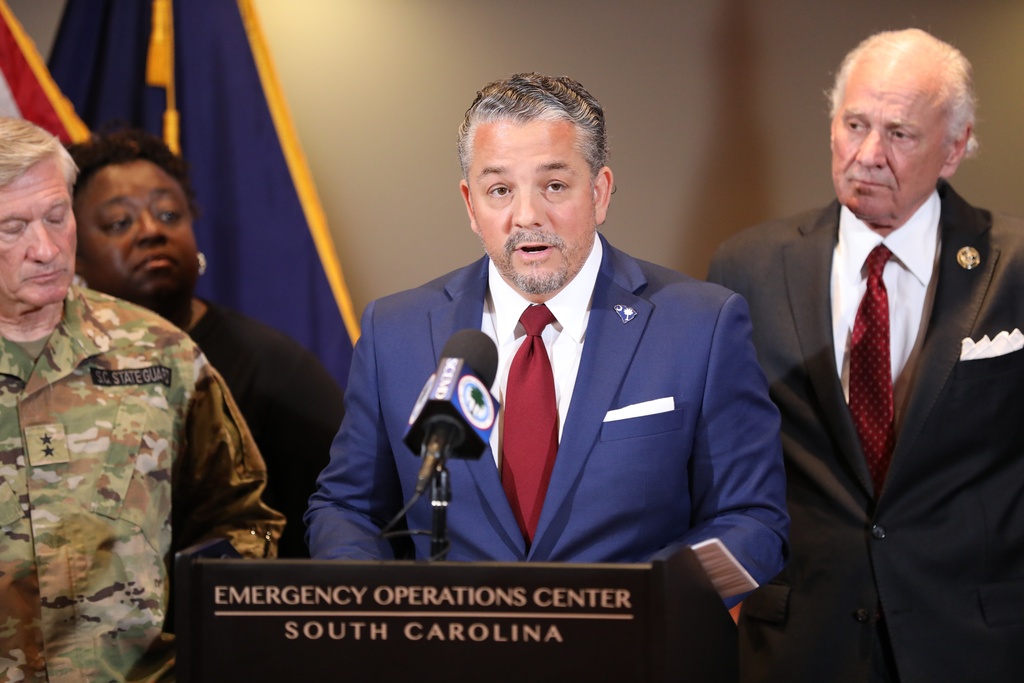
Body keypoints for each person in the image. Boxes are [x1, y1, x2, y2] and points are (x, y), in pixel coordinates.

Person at [306, 72, 788, 594]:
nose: (526, 215)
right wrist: (378, 609)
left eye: (554, 186)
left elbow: (754, 522)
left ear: (600, 193)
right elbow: (346, 508)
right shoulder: (394, 333)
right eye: (499, 190)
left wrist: (653, 606)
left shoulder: (701, 325)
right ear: (471, 205)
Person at [708, 28, 1024, 682]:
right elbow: (720, 462)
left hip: (973, 641)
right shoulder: (748, 265)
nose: (869, 154)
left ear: (956, 147)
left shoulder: (1014, 265)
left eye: (900, 133)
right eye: (855, 124)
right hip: (800, 643)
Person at [0, 117, 284, 681]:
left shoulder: (161, 355)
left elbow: (240, 520)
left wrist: (211, 655)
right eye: (13, 227)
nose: (46, 248)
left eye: (58, 217)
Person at [67, 129, 345, 558]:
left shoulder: (273, 369)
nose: (151, 231)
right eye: (120, 222)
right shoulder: (54, 366)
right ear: (74, 253)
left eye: (169, 215)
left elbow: (346, 517)